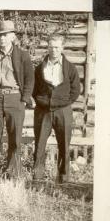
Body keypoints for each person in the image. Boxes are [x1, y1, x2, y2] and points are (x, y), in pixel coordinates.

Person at [0, 20, 34, 179]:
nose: (2, 38)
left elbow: (30, 79)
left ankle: (12, 174)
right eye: (0, 35)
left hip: (15, 98)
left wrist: (24, 99)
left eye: (5, 35)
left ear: (13, 36)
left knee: (15, 138)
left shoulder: (22, 55)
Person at [32, 34, 80, 184]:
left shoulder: (70, 68)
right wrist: (42, 101)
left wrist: (64, 102)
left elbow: (76, 89)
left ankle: (63, 178)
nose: (54, 50)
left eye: (57, 47)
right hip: (43, 111)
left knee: (64, 144)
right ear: (48, 47)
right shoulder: (40, 68)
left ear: (62, 48)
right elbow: (34, 89)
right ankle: (37, 178)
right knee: (40, 144)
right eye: (51, 47)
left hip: (63, 111)